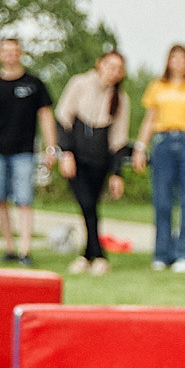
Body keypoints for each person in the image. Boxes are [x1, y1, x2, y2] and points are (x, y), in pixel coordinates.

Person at [132, 44, 185, 273]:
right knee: (162, 200)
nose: (178, 63)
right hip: (163, 143)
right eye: (174, 58)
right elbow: (150, 119)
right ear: (168, 62)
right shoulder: (157, 86)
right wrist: (140, 147)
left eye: (183, 59)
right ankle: (162, 253)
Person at [0, 36, 56, 266]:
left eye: (14, 51)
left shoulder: (34, 84)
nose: (10, 55)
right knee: (0, 199)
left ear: (21, 53)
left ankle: (25, 250)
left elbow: (46, 115)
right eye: (6, 51)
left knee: (25, 200)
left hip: (24, 152)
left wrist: (51, 147)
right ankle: (9, 247)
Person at [56, 50, 130, 274]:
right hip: (77, 158)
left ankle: (88, 256)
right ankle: (98, 254)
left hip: (101, 161)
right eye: (110, 65)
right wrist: (65, 153)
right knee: (86, 204)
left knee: (92, 207)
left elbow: (119, 139)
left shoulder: (121, 99)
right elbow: (62, 119)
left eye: (118, 68)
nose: (113, 72)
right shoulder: (79, 84)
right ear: (100, 64)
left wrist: (117, 173)